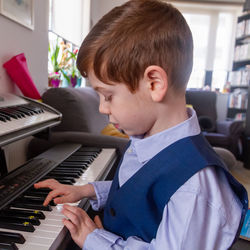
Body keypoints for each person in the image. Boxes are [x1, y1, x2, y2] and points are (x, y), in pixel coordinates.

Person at [34, 0, 248, 249]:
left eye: (108, 95)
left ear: (154, 84)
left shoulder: (194, 189)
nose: (102, 108)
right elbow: (136, 190)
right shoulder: (147, 140)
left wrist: (96, 240)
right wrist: (86, 191)